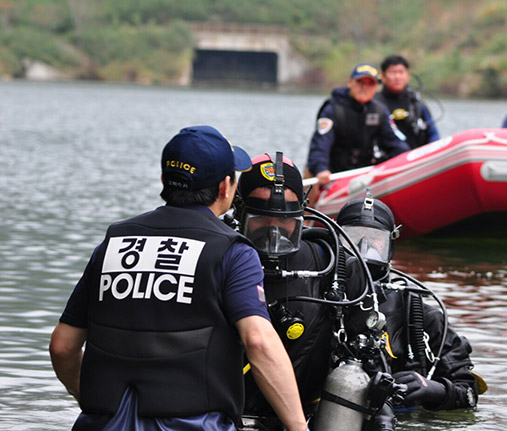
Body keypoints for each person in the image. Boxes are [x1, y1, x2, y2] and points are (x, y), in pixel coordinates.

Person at [49, 126, 308, 431]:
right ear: (226, 187)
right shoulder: (232, 251)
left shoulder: (113, 243)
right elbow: (258, 342)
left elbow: (62, 346)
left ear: (163, 181)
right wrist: (299, 428)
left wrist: (93, 402)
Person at [237, 153, 397, 430]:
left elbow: (368, 356)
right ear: (239, 213)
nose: (273, 234)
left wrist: (383, 414)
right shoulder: (216, 258)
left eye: (285, 221)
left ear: (302, 213)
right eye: (261, 221)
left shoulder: (335, 267)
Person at [337, 195, 484, 411]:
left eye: (375, 239)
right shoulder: (318, 301)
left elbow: (469, 395)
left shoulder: (422, 316)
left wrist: (434, 390)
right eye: (354, 236)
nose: (364, 246)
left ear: (390, 245)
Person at [306, 62, 410, 187]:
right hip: (332, 173)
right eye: (361, 82)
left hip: (363, 172)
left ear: (376, 87)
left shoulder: (379, 111)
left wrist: (407, 159)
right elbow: (320, 144)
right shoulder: (332, 109)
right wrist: (321, 168)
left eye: (370, 84)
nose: (364, 87)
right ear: (350, 82)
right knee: (310, 171)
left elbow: (394, 142)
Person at [374, 54, 440, 148]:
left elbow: (433, 134)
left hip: (418, 156)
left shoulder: (416, 102)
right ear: (383, 77)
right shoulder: (375, 104)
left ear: (408, 75)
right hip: (388, 159)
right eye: (392, 72)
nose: (397, 77)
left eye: (401, 72)